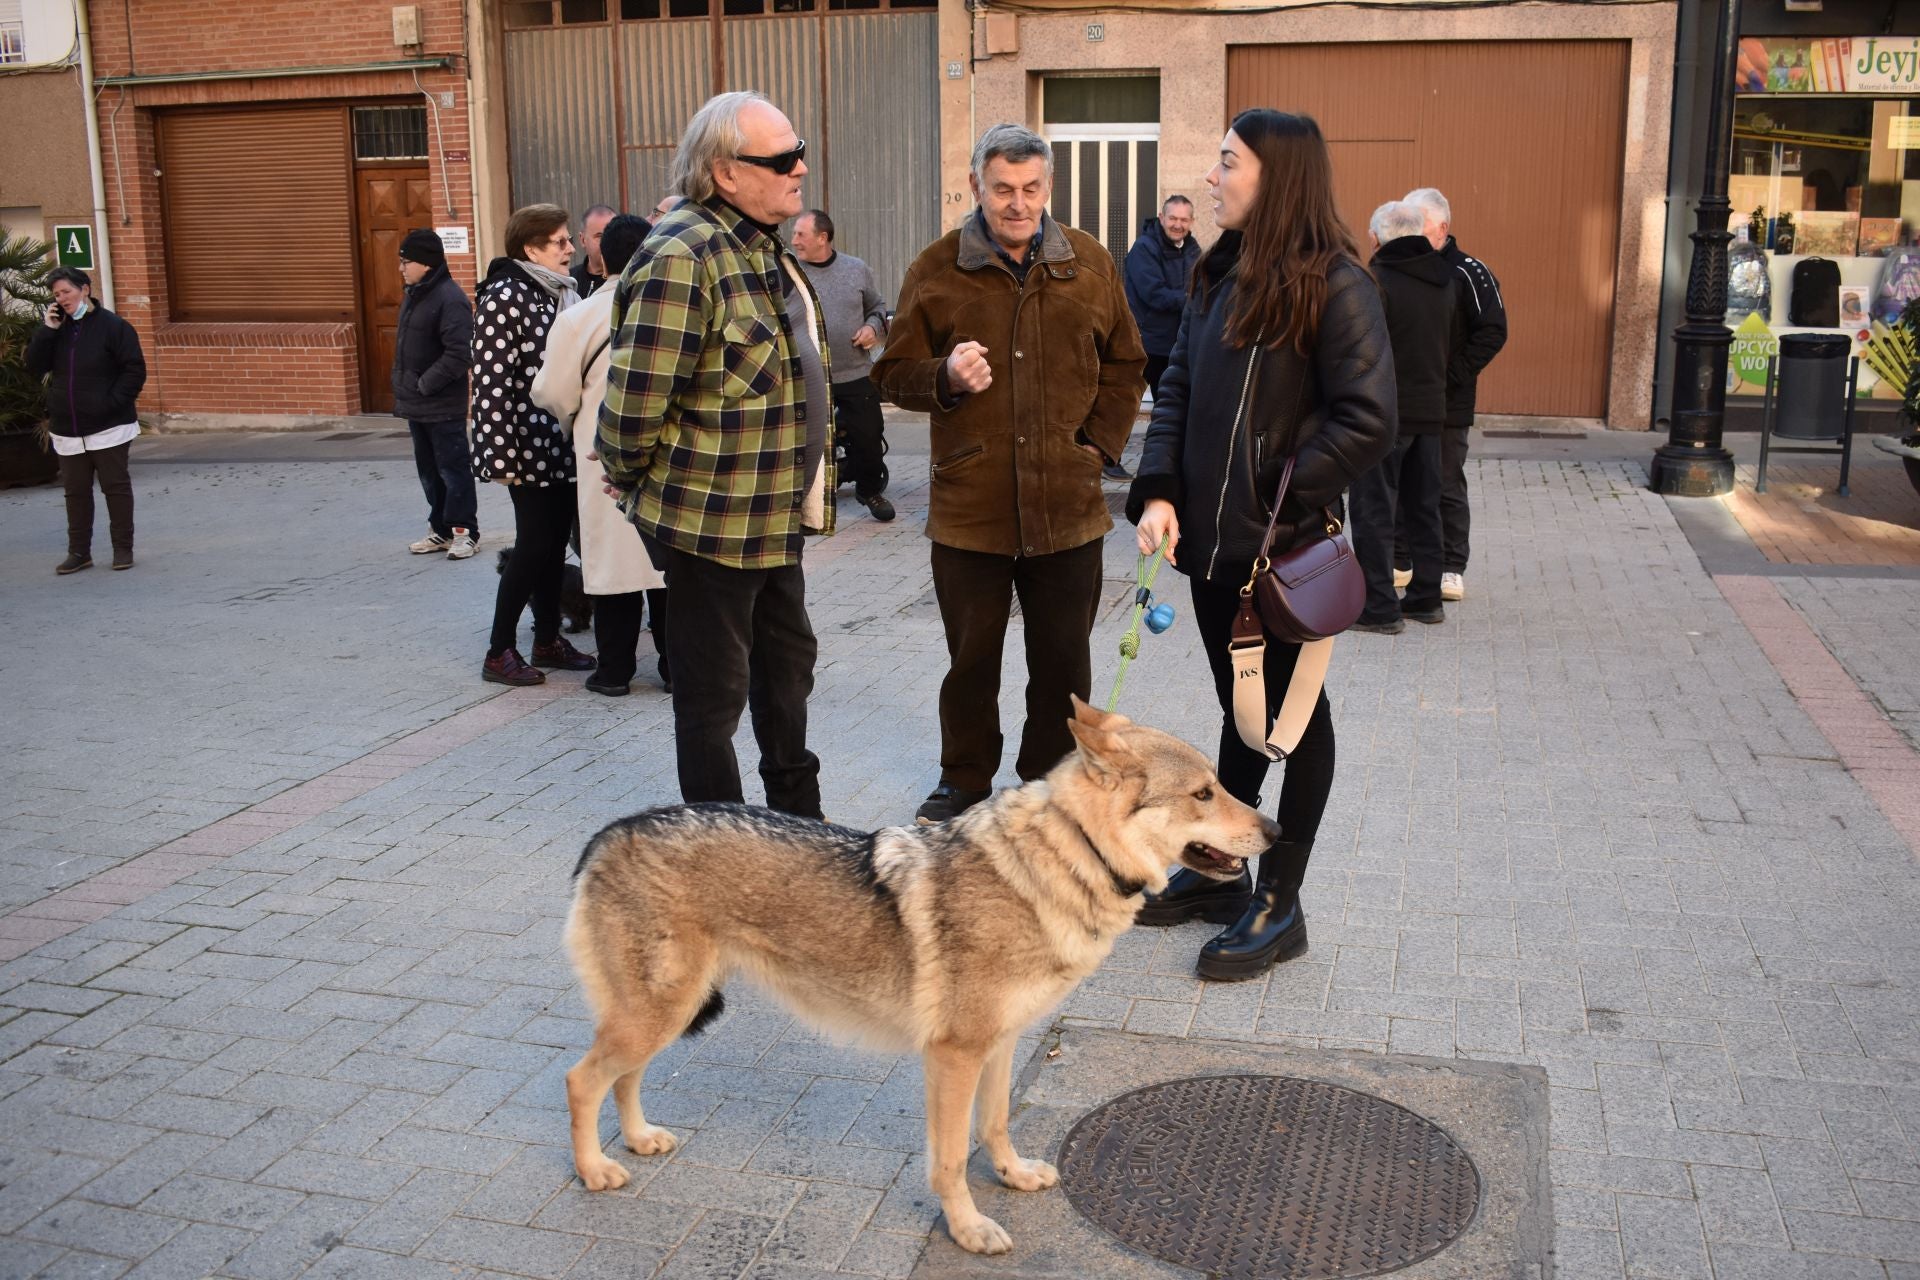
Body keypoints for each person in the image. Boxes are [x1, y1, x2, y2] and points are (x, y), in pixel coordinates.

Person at [1127, 109, 1393, 980]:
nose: (1212, 177)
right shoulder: (1219, 271)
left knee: (1294, 722)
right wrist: (1161, 488)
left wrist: (1275, 495)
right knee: (1242, 711)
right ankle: (1220, 870)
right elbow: (1176, 384)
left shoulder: (1337, 286)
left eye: (1228, 162)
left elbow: (1367, 420)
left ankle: (1280, 904)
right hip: (1208, 549)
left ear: (1275, 176)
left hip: (1282, 554)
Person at [874, 123, 1146, 826]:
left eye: (1030, 189)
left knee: (1063, 662)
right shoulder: (936, 268)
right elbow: (894, 374)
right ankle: (964, 777)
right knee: (971, 662)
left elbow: (1126, 361)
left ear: (1047, 187)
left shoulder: (1088, 263)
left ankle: (1049, 781)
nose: (1017, 203)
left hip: (1069, 504)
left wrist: (1098, 443)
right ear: (977, 187)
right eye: (1002, 190)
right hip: (973, 508)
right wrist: (944, 376)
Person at [598, 91, 832, 819]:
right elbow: (632, 409)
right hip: (707, 531)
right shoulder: (682, 253)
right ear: (726, 173)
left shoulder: (763, 246)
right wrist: (642, 489)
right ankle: (723, 858)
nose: (800, 169)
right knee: (711, 704)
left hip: (774, 526)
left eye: (799, 151)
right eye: (782, 158)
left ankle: (801, 832)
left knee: (787, 679)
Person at [532, 213, 669, 698]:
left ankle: (614, 671)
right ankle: (676, 668)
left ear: (601, 257)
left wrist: (578, 419)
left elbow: (549, 392)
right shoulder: (670, 311)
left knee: (613, 566)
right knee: (667, 568)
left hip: (601, 455)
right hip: (667, 456)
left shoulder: (577, 318)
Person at [472, 203, 596, 686]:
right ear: (531, 248)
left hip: (559, 444)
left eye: (569, 240)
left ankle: (547, 639)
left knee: (550, 549)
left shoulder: (556, 294)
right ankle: (498, 651)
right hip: (524, 447)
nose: (570, 249)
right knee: (533, 545)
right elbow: (491, 384)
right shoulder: (505, 295)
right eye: (560, 242)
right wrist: (500, 458)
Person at [1349, 200, 1460, 635]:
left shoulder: (1376, 281)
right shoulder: (1445, 279)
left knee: (1374, 510)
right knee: (1423, 507)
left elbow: (1363, 351)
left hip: (1383, 414)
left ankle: (1379, 607)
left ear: (1377, 238)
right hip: (1431, 412)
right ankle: (1426, 599)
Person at [1393, 187, 1506, 604]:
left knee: (1444, 484)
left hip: (1447, 403)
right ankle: (1400, 559)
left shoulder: (1469, 272)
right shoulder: (1402, 269)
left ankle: (1450, 566)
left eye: (1416, 224)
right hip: (1404, 401)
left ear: (1441, 227)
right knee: (1402, 483)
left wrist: (1451, 377)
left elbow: (1493, 331)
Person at [27, 266, 146, 574]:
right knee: (75, 492)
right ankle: (79, 552)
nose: (61, 298)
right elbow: (35, 366)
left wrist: (111, 403)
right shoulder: (57, 328)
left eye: (66, 291)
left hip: (108, 425)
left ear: (85, 290)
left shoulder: (114, 327)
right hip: (68, 427)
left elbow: (133, 370)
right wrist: (47, 331)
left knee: (115, 488)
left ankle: (122, 549)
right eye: (56, 294)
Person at [792, 208, 894, 522]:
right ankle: (802, 506)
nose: (793, 241)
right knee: (804, 443)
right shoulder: (789, 273)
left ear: (822, 238)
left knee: (869, 436)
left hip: (853, 372)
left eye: (800, 234)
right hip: (808, 375)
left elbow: (876, 307)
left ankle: (870, 491)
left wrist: (873, 328)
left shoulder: (856, 269)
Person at [391, 228, 479, 561]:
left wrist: (425, 384)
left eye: (406, 261)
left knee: (453, 471)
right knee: (429, 472)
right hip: (418, 406)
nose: (401, 268)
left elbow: (460, 353)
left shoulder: (449, 298)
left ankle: (464, 532)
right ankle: (440, 529)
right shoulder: (414, 294)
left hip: (442, 406)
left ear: (426, 263)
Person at [1123, 195, 1200, 401]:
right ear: (1161, 217)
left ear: (1191, 221)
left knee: (1171, 406)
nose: (1178, 225)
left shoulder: (1192, 249)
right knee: (1125, 409)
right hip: (1147, 346)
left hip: (1178, 344)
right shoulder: (1144, 248)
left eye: (1184, 220)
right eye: (1173, 218)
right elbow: (1154, 295)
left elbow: (1201, 285)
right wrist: (1192, 299)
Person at [571, 204, 617, 297]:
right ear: (583, 240)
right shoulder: (570, 282)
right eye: (599, 236)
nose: (608, 241)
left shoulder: (627, 283)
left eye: (613, 234)